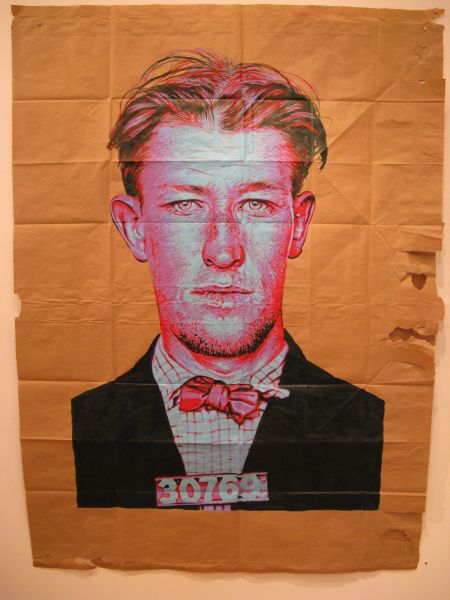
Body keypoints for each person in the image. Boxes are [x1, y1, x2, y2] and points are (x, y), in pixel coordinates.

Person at [72, 51, 384, 511]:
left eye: (256, 204)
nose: (223, 251)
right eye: (185, 206)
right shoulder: (75, 423)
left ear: (298, 224)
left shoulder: (371, 422)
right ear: (135, 228)